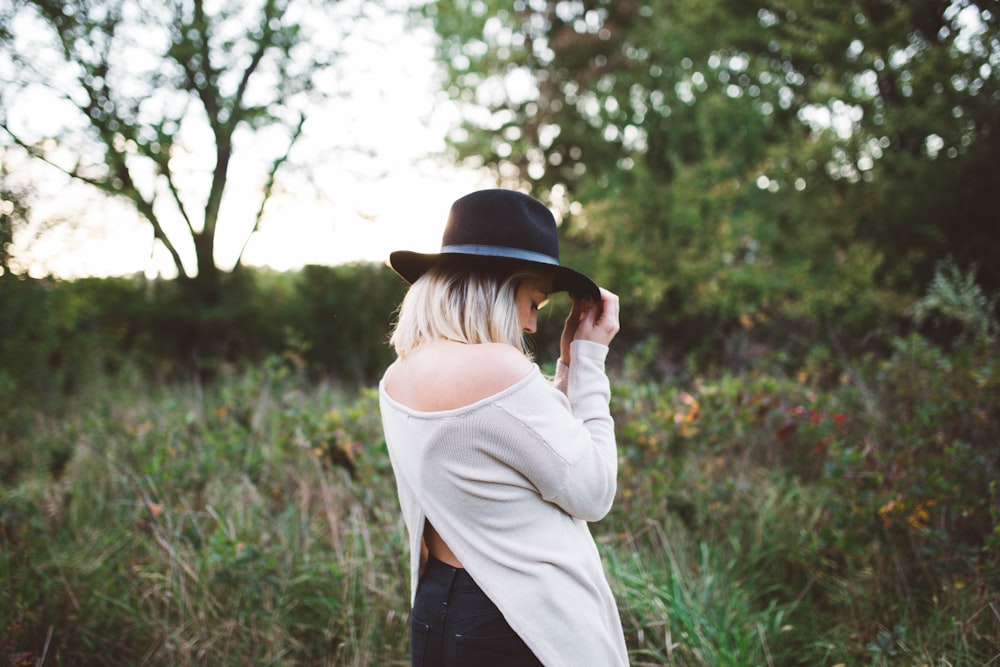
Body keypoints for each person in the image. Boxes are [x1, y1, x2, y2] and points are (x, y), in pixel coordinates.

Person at [379, 188, 628, 666]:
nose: (533, 325)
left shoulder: (399, 375)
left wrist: (568, 364)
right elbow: (594, 492)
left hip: (437, 610)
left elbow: (521, 440)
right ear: (495, 289)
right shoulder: (498, 368)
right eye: (534, 302)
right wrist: (591, 359)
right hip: (516, 620)